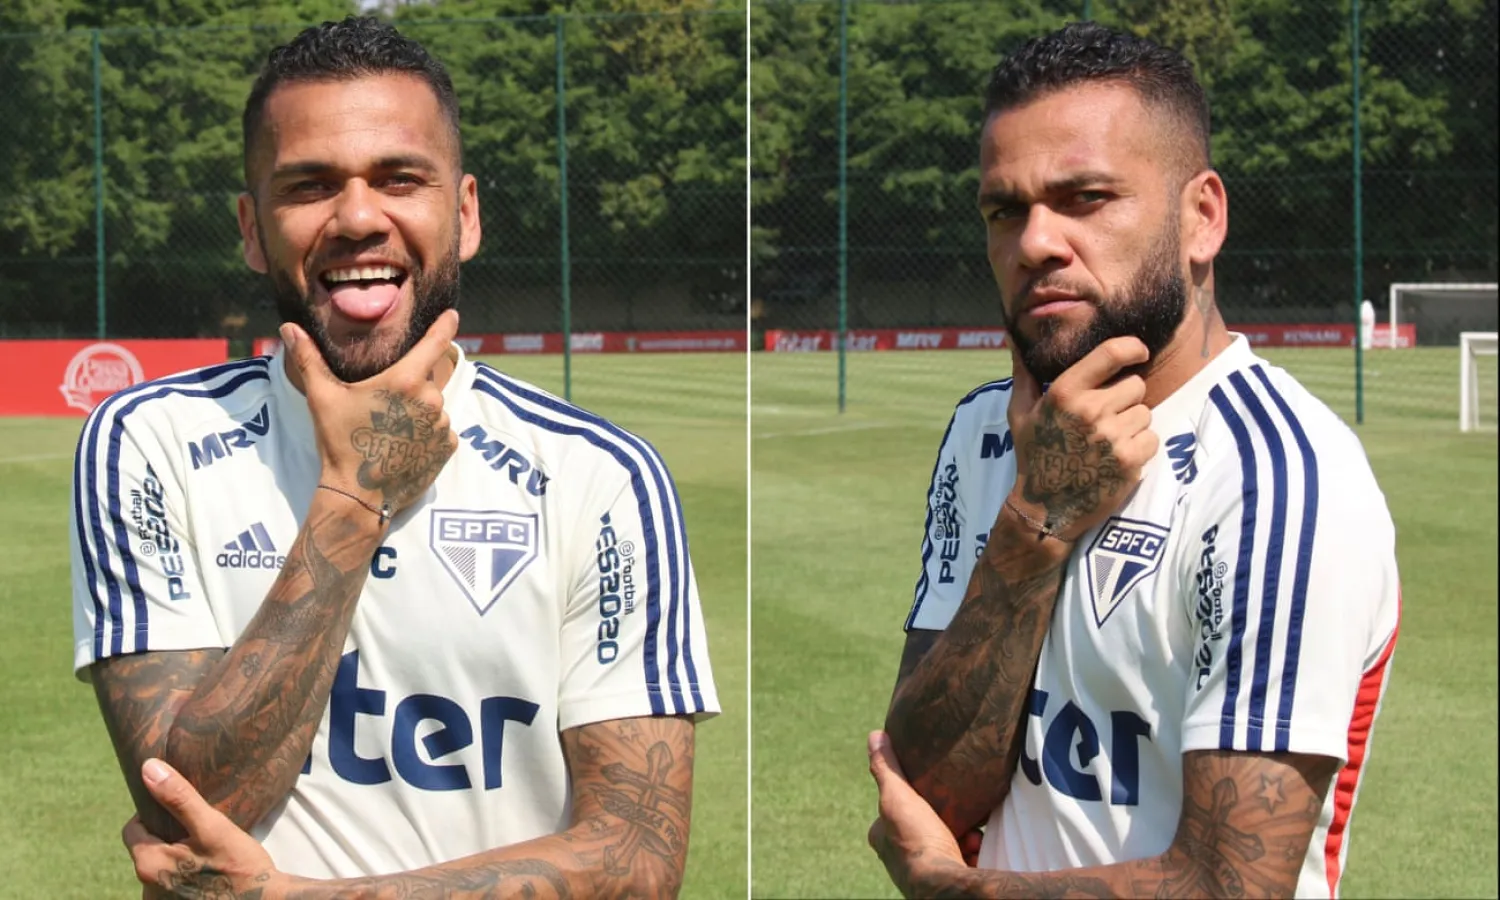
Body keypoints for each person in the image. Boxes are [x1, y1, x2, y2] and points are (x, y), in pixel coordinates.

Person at [71, 16, 718, 897]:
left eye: (399, 179)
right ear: (253, 229)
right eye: (308, 186)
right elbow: (196, 801)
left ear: (465, 213)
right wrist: (354, 496)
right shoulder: (151, 444)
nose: (357, 218)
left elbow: (637, 858)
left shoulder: (601, 477)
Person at [867, 22, 1399, 899]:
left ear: (1202, 218)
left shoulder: (1279, 480)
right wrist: (1036, 522)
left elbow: (1234, 884)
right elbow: (926, 784)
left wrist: (963, 893)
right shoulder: (983, 432)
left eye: (1085, 198)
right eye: (1006, 210)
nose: (1036, 241)